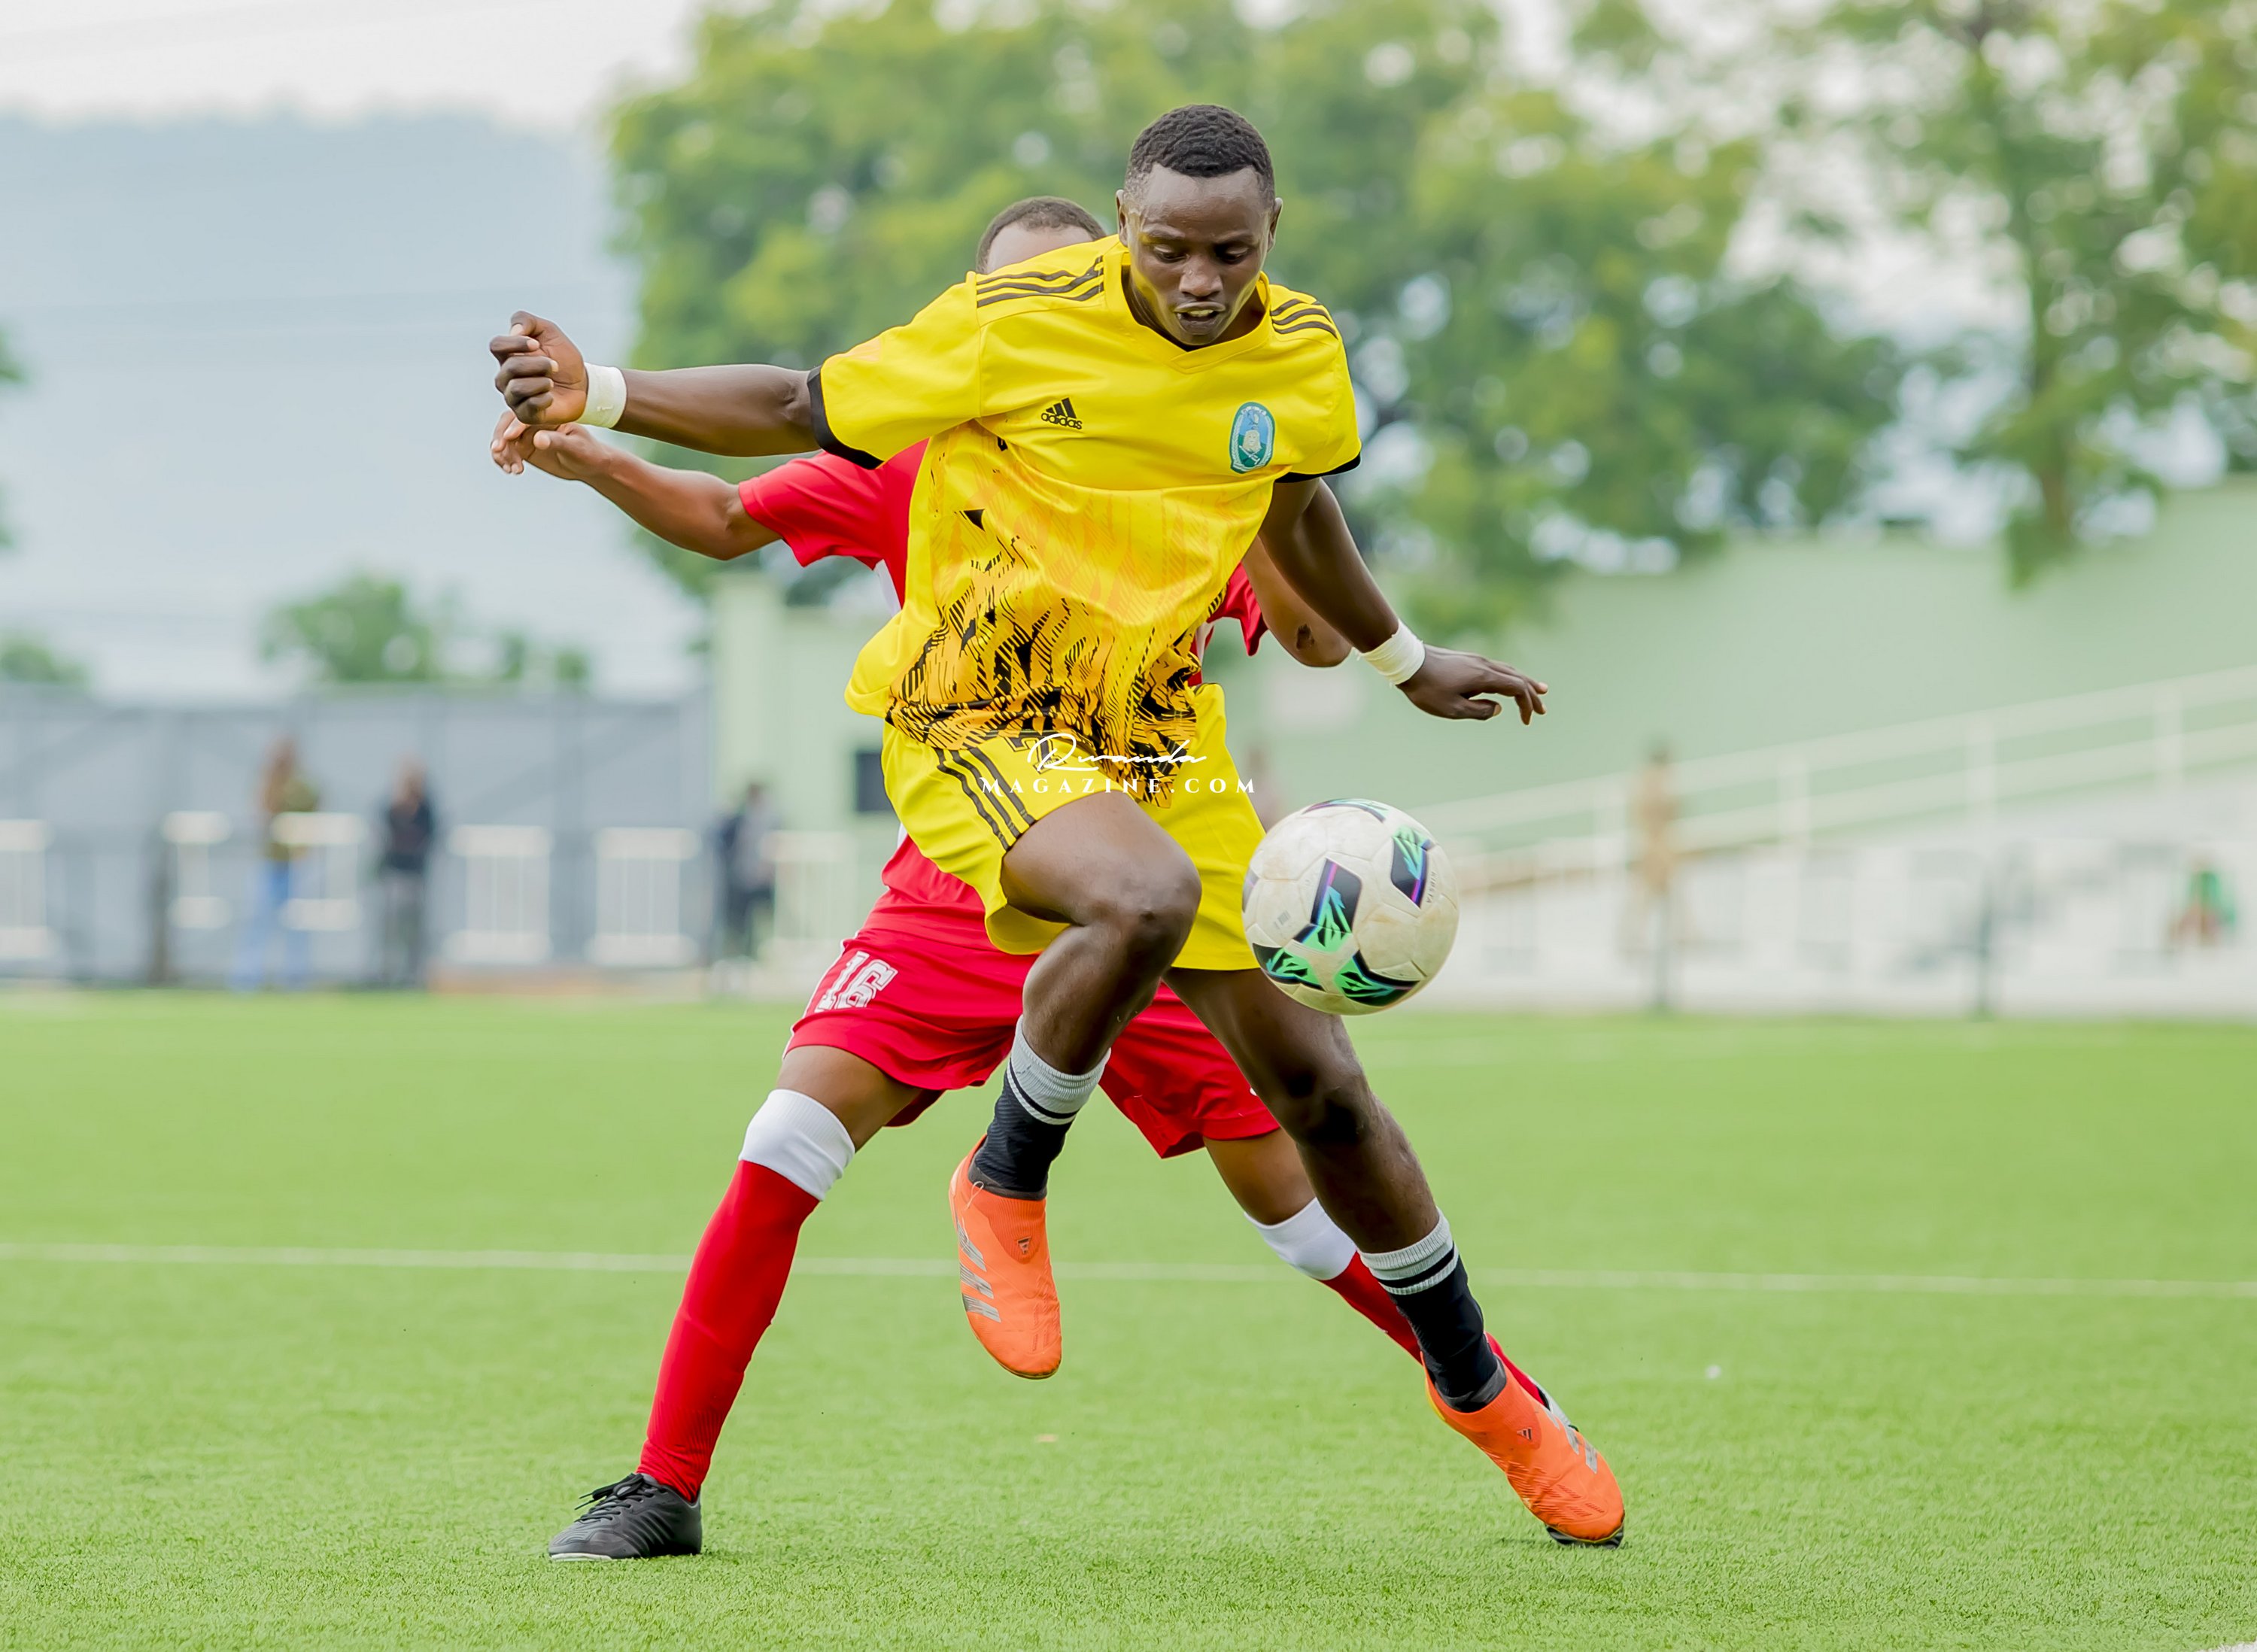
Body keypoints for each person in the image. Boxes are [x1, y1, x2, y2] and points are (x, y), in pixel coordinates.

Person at [493, 111, 1624, 1551]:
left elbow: (1299, 526)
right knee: (811, 1118)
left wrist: (1404, 658)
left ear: (1267, 237)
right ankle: (700, 1452)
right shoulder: (961, 387)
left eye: (1228, 252)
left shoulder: (1275, 370)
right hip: (985, 764)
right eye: (1166, 252)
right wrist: (603, 408)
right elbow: (768, 440)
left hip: (1155, 765)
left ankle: (1488, 1392)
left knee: (1321, 1117)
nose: (1199, 280)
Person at [229, 736, 319, 992]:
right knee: (256, 921)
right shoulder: (268, 784)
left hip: (297, 864)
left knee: (298, 924)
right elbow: (262, 812)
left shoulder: (303, 786)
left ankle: (296, 978)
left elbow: (312, 806)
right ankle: (247, 978)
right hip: (270, 862)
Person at [376, 759, 437, 988]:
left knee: (414, 930)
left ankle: (413, 975)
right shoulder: (392, 807)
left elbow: (428, 836)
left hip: (415, 875)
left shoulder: (425, 808)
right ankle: (387, 973)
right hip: (395, 873)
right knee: (390, 927)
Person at [713, 781, 779, 958]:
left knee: (761, 917)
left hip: (761, 878)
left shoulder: (769, 818)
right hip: (742, 877)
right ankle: (739, 953)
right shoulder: (739, 817)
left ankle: (756, 952)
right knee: (738, 921)